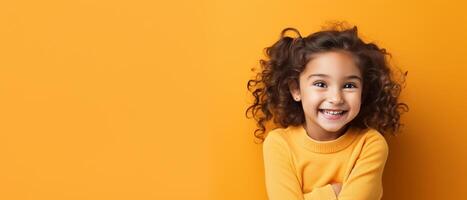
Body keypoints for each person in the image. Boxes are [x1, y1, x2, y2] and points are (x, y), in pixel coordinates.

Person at [245, 21, 408, 200]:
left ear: (363, 91)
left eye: (349, 85)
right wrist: (333, 192)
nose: (336, 98)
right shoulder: (279, 144)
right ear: (296, 90)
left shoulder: (370, 144)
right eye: (321, 84)